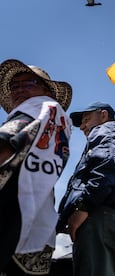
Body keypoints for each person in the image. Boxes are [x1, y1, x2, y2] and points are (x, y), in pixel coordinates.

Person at [57, 102, 115, 276]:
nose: (82, 126)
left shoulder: (106, 129)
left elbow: (109, 164)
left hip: (102, 217)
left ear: (103, 115)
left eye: (86, 119)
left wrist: (84, 206)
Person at [0, 59, 72, 275]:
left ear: (46, 91)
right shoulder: (58, 119)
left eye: (28, 82)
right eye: (14, 86)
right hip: (36, 227)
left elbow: (7, 143)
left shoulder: (41, 105)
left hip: (11, 217)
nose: (19, 89)